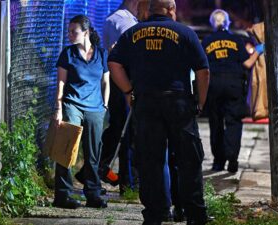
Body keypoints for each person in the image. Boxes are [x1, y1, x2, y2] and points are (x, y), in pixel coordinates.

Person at [108, 0, 210, 224]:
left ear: (151, 9)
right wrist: (200, 102)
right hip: (179, 102)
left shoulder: (133, 33)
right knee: (188, 160)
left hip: (146, 104)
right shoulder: (185, 33)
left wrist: (128, 91)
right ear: (171, 9)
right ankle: (194, 214)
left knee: (150, 160)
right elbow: (203, 71)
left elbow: (114, 64)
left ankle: (156, 214)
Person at [52, 15, 110, 209]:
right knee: (67, 148)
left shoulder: (101, 54)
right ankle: (63, 195)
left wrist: (105, 105)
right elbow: (61, 83)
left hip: (95, 108)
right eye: (69, 31)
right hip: (72, 104)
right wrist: (59, 108)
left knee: (93, 153)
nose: (69, 35)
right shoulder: (68, 54)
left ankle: (93, 194)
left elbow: (106, 82)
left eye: (73, 31)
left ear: (86, 32)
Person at [201, 9, 263, 173]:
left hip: (213, 85)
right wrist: (258, 51)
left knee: (216, 124)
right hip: (234, 85)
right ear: (227, 22)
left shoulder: (207, 41)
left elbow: (201, 67)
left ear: (212, 23)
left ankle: (218, 162)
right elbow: (247, 64)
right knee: (234, 122)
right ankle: (232, 159)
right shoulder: (236, 40)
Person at [99, 0, 139, 193]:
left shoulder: (111, 19)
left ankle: (103, 169)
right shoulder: (126, 23)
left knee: (118, 127)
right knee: (129, 132)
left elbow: (109, 50)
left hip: (117, 82)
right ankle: (129, 181)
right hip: (127, 82)